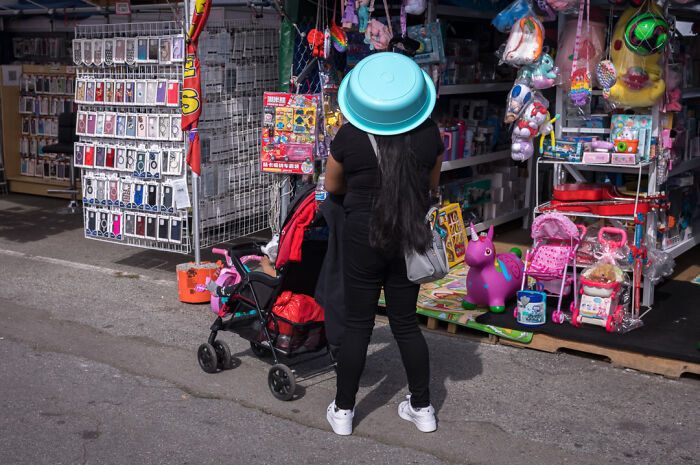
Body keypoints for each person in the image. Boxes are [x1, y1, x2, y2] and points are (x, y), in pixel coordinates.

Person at [323, 52, 444, 435]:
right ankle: (422, 408)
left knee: (358, 323)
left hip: (361, 232)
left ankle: (343, 412)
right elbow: (431, 186)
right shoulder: (429, 134)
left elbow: (331, 186)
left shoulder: (349, 135)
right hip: (409, 232)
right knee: (405, 323)